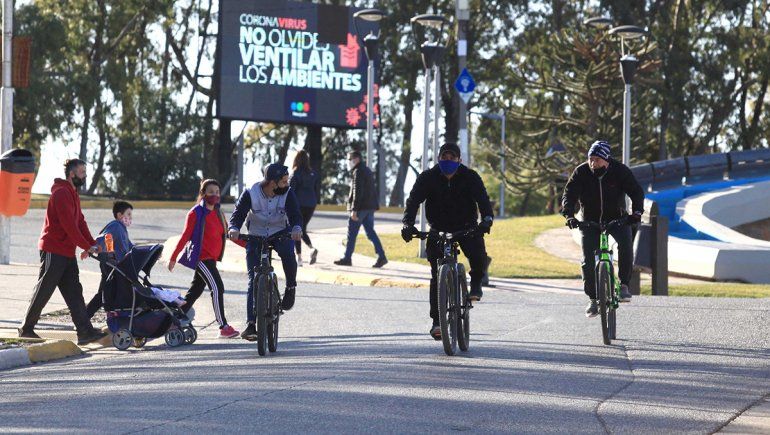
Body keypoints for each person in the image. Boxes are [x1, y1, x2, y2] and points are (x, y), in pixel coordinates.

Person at [401, 143, 494, 340]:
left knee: (478, 253)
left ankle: (476, 282)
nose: (448, 161)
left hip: (466, 227)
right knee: (436, 275)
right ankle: (437, 322)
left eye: (452, 158)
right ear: (438, 158)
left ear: (459, 160)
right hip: (438, 229)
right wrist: (407, 224)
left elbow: (483, 201)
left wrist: (486, 220)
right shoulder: (427, 177)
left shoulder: (470, 177)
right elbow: (413, 201)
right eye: (445, 157)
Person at [18, 159, 108, 345]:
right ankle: (26, 328)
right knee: (45, 289)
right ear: (72, 174)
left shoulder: (73, 194)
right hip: (53, 249)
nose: (84, 176)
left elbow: (80, 222)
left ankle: (84, 331)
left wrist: (91, 243)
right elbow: (69, 226)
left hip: (66, 251)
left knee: (74, 291)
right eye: (82, 172)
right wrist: (86, 246)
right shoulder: (61, 193)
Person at [561, 140, 645, 318]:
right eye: (590, 159)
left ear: (607, 160)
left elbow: (636, 191)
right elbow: (569, 194)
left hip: (617, 219)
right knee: (587, 259)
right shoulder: (581, 172)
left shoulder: (620, 171)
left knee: (626, 244)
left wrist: (636, 213)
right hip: (589, 221)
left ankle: (623, 285)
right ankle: (592, 299)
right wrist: (569, 215)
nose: (593, 163)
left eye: (597, 160)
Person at [228, 163, 303, 341]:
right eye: (283, 182)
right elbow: (238, 214)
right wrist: (234, 228)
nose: (286, 185)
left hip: (280, 233)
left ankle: (291, 287)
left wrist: (297, 227)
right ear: (272, 182)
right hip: (256, 236)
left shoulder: (288, 193)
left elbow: (295, 214)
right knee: (253, 279)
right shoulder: (250, 193)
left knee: (287, 253)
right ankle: (251, 324)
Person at [168, 179, 240, 339]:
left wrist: (249, 245)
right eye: (210, 192)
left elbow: (230, 234)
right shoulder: (195, 213)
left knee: (195, 291)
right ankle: (223, 326)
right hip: (201, 258)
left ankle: (174, 319)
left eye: (217, 192)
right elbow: (185, 236)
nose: (214, 195)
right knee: (217, 287)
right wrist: (173, 257)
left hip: (212, 259)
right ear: (203, 194)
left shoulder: (219, 213)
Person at [334, 150, 387, 268]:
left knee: (351, 234)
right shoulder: (367, 170)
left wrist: (354, 209)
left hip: (360, 208)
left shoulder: (358, 171)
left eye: (350, 159)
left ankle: (347, 258)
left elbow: (357, 191)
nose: (348, 162)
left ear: (356, 159)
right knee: (370, 233)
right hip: (369, 207)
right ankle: (382, 256)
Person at [86, 200, 135, 319]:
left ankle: (85, 317)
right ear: (119, 215)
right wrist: (95, 249)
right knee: (106, 292)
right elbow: (106, 238)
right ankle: (85, 318)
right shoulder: (115, 226)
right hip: (110, 264)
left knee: (104, 292)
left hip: (114, 264)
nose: (130, 217)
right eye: (128, 214)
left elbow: (128, 246)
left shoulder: (122, 228)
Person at [289, 150, 320, 266]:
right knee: (302, 229)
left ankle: (299, 258)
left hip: (299, 204)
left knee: (297, 228)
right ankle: (311, 249)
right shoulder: (313, 174)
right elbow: (316, 190)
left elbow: (291, 191)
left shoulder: (295, 174)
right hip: (311, 204)